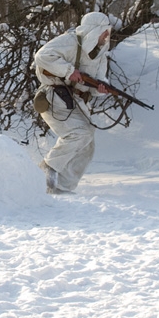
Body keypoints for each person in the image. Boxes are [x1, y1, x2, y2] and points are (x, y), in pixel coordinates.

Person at [33, 12, 112, 194]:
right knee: (79, 134)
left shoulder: (101, 55)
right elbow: (42, 56)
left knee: (87, 142)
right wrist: (68, 71)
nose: (107, 35)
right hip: (55, 95)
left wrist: (100, 89)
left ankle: (62, 186)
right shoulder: (70, 41)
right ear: (94, 31)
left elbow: (98, 80)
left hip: (77, 101)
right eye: (104, 31)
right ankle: (47, 169)